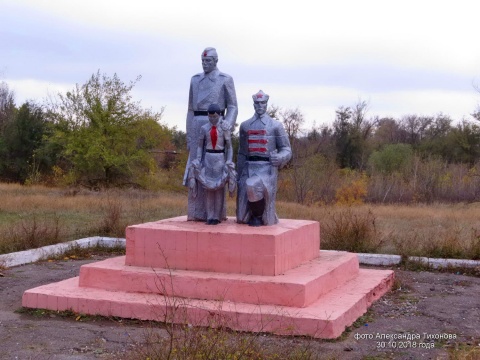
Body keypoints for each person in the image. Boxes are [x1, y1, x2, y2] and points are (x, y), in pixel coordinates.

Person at [184, 47, 238, 221]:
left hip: (217, 124)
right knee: (196, 166)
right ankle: (196, 212)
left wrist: (228, 122)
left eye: (208, 61)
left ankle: (216, 214)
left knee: (217, 168)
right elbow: (190, 109)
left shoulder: (225, 79)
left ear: (216, 61)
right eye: (203, 61)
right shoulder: (195, 80)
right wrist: (189, 133)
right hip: (198, 125)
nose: (205, 64)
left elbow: (233, 106)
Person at [236, 90, 292, 226]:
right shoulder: (245, 126)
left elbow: (287, 149)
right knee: (241, 217)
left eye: (262, 103)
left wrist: (280, 157)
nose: (260, 105)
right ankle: (253, 213)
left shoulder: (276, 126)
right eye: (257, 103)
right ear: (253, 104)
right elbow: (242, 153)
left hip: (266, 169)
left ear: (266, 104)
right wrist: (237, 175)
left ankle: (258, 216)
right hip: (248, 167)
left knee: (252, 186)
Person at [189, 104, 236, 225]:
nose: (212, 119)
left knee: (219, 189)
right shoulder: (204, 128)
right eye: (210, 117)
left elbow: (229, 147)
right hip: (208, 157)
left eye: (214, 117)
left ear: (219, 115)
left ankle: (217, 216)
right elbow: (200, 146)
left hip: (220, 157)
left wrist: (228, 161)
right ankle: (209, 216)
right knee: (208, 188)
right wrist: (198, 159)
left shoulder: (224, 128)